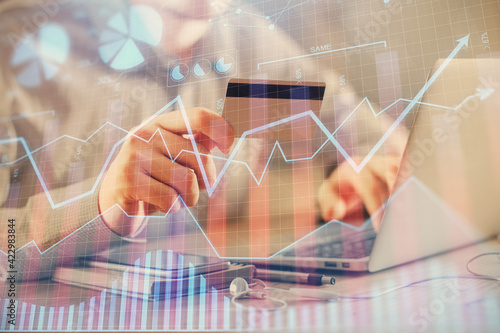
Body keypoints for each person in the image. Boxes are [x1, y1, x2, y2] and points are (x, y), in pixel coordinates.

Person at [0, 0, 404, 280]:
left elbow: (380, 139)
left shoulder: (245, 34)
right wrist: (101, 207)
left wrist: (366, 167)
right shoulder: (16, 50)